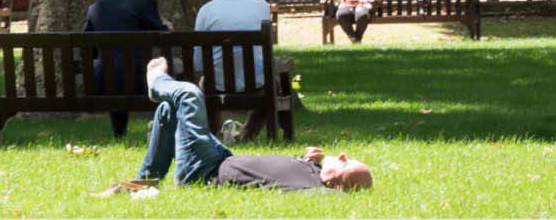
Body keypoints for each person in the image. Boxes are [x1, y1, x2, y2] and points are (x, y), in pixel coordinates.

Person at [122, 57, 371, 193]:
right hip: (221, 158)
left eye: (346, 163)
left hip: (203, 172)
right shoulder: (312, 172)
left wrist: (337, 186)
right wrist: (306, 159)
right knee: (169, 110)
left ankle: (157, 82)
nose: (341, 155)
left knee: (188, 95)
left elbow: (327, 194)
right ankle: (144, 182)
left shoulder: (315, 188)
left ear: (336, 183)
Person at [82, 0, 170, 139]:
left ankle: (119, 133)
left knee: (116, 68)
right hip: (140, 82)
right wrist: (167, 27)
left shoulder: (96, 7)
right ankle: (164, 132)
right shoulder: (144, 2)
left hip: (102, 82)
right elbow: (162, 37)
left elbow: (88, 49)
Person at [190, 0, 273, 88]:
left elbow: (198, 63)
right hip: (256, 84)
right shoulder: (262, 6)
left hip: (218, 85)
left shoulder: (206, 11)